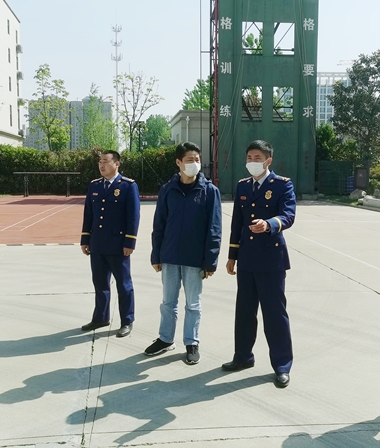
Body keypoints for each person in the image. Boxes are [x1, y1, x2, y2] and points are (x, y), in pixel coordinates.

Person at [223, 140, 296, 388]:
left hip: (271, 260)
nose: (252, 162)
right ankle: (243, 356)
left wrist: (269, 224)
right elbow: (237, 223)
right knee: (244, 312)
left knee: (275, 315)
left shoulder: (282, 185)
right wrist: (232, 255)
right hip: (246, 259)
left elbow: (288, 215)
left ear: (268, 160)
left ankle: (282, 366)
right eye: (249, 157)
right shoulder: (243, 186)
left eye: (257, 158)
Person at [146, 142, 222, 365]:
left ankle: (191, 342)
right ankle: (165, 339)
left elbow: (214, 228)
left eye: (197, 160)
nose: (194, 164)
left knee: (193, 304)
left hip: (194, 259)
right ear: (178, 162)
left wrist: (210, 261)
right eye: (189, 160)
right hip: (169, 256)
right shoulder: (167, 190)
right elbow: (159, 224)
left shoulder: (209, 191)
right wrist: (156, 255)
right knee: (168, 302)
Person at [80, 150, 140, 338]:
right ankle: (100, 317)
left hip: (118, 245)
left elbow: (133, 216)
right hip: (97, 243)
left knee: (124, 285)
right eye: (100, 162)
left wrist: (130, 241)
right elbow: (88, 214)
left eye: (106, 161)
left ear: (117, 164)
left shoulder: (128, 186)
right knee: (100, 283)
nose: (101, 165)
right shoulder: (95, 186)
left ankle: (127, 321)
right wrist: (85, 239)